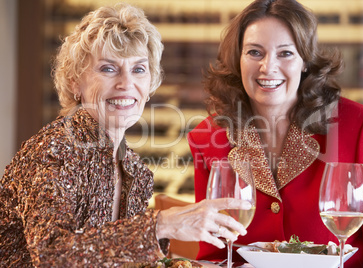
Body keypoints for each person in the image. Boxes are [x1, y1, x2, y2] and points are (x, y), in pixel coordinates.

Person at [0, 4, 251, 267]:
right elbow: (52, 256)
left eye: (139, 69)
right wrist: (161, 224)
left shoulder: (135, 170)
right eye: (108, 68)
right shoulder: (53, 149)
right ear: (75, 81)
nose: (126, 83)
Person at [187, 0, 363, 267]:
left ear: (304, 61)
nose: (268, 67)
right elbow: (217, 255)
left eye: (285, 53)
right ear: (237, 60)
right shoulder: (208, 137)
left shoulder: (352, 126)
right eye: (255, 52)